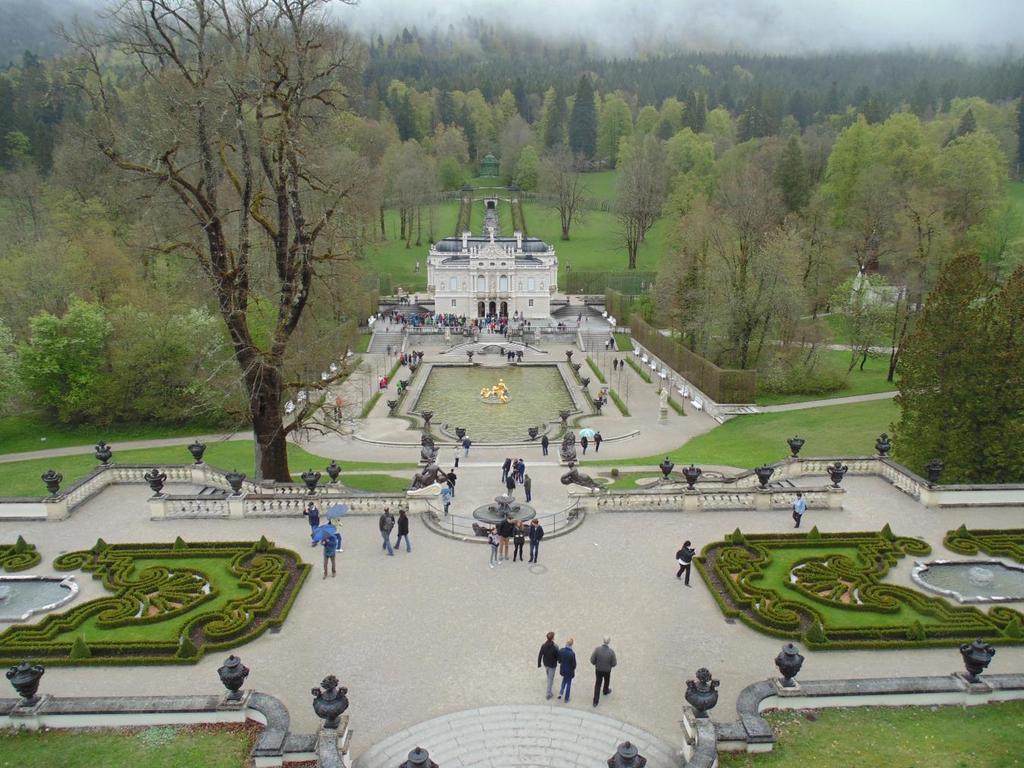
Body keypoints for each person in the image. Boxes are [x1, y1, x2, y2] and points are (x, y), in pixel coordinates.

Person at [590, 637, 617, 707]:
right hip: (607, 670)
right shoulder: (611, 652)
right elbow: (614, 663)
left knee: (598, 684)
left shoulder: (597, 650)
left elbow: (592, 660)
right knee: (607, 680)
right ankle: (605, 690)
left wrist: (596, 664)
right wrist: (610, 666)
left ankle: (595, 701)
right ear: (609, 642)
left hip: (598, 669)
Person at [538, 631, 559, 700]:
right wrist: (559, 661)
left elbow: (540, 655)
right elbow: (557, 656)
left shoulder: (543, 645)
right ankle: (548, 694)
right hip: (552, 665)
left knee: (548, 676)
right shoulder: (555, 647)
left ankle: (549, 682)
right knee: (550, 680)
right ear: (553, 638)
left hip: (546, 663)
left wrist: (539, 663)